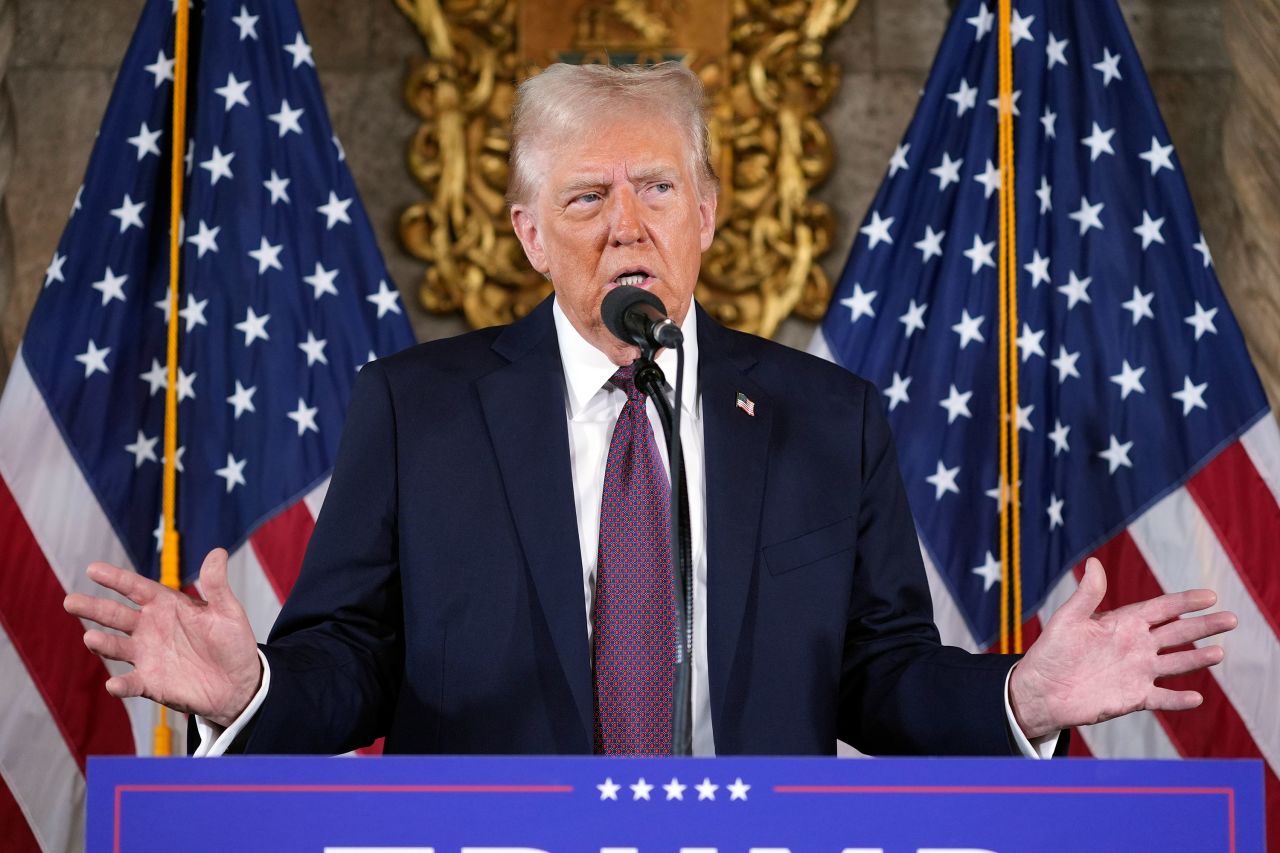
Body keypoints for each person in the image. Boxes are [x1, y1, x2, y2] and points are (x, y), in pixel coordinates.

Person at [65, 62, 1236, 757]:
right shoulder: (417, 411)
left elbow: (878, 676)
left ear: (707, 211)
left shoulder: (827, 417)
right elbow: (351, 656)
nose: (627, 222)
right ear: (529, 234)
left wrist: (1016, 696)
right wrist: (250, 688)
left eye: (656, 187)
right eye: (585, 196)